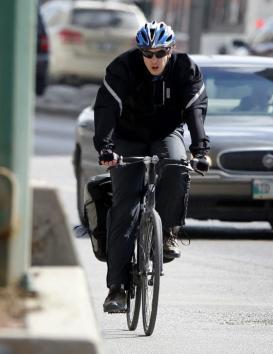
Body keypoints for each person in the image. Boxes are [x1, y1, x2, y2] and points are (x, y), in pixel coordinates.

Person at [93, 21, 210, 313]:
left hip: (164, 133)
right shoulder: (123, 68)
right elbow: (107, 108)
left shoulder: (185, 69)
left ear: (171, 50)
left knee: (175, 164)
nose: (154, 60)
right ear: (140, 52)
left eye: (160, 53)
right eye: (147, 53)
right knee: (125, 209)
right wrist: (106, 147)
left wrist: (200, 150)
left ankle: (168, 230)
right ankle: (116, 289)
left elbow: (195, 109)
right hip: (127, 137)